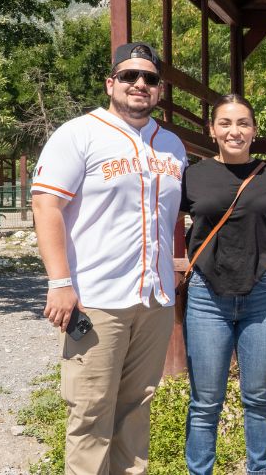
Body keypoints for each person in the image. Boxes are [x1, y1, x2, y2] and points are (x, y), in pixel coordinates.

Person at [31, 42, 187, 474]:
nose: (140, 84)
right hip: (95, 299)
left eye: (150, 79)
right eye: (129, 76)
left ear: (159, 90)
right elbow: (46, 206)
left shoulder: (172, 145)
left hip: (153, 300)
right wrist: (60, 283)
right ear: (110, 83)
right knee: (90, 412)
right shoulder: (78, 134)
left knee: (137, 410)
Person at [180, 94, 266, 475]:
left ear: (255, 130)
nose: (235, 131)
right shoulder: (191, 176)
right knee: (205, 401)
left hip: (261, 294)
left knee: (259, 397)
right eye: (225, 123)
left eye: (243, 123)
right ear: (212, 130)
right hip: (206, 297)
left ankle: (257, 470)